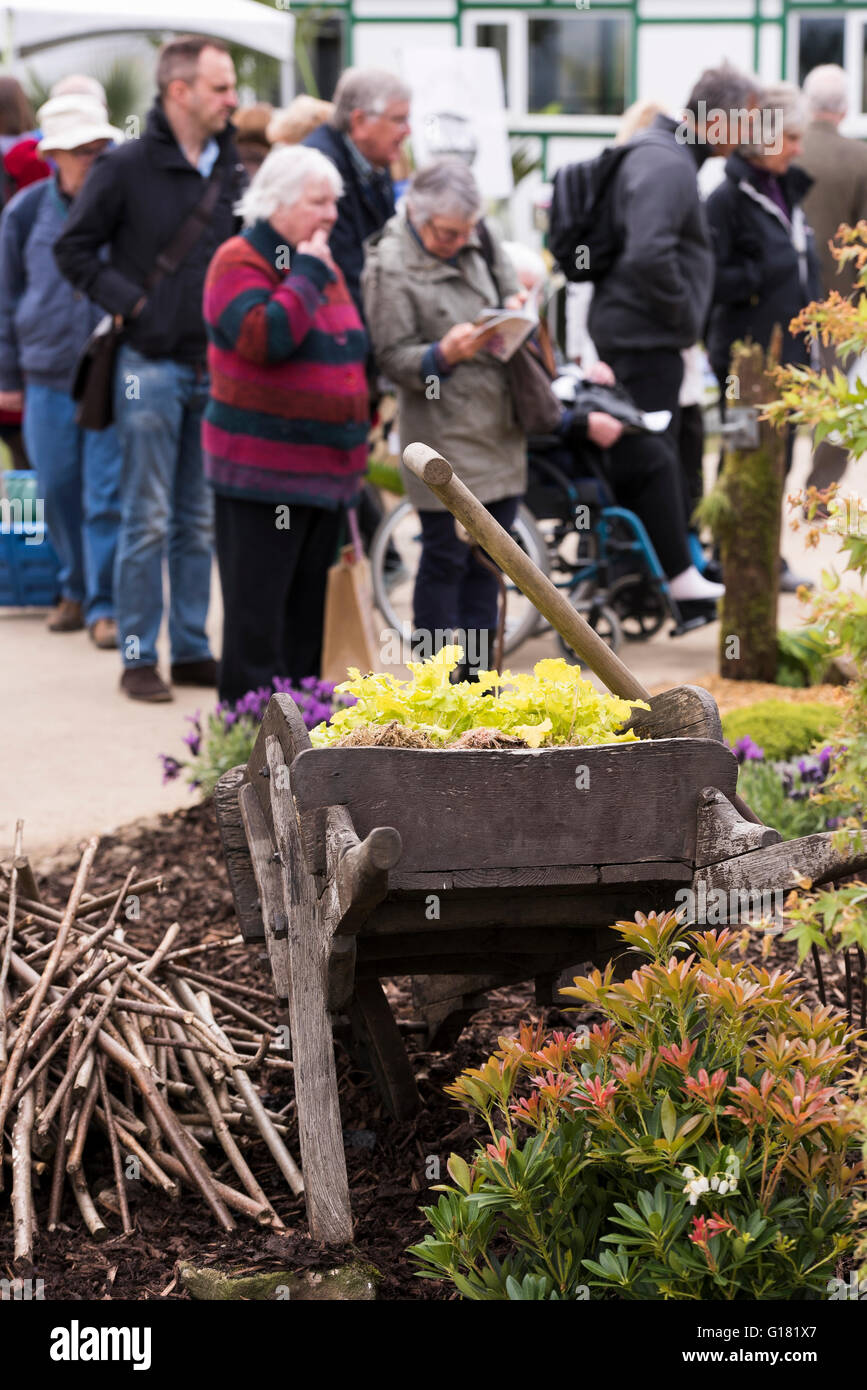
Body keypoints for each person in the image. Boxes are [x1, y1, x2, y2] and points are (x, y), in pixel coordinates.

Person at [54, 35, 246, 702]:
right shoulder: (125, 165)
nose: (232, 99)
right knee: (147, 518)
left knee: (196, 519)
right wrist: (132, 304)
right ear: (180, 91)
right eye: (221, 87)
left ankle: (190, 649)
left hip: (213, 370)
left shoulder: (232, 169)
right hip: (149, 367)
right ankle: (138, 655)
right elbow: (72, 249)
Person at [579, 68, 761, 603]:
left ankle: (645, 585)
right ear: (719, 117)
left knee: (651, 459)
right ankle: (643, 586)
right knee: (646, 462)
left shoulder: (667, 155)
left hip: (644, 337)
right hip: (643, 341)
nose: (749, 135)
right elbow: (648, 251)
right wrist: (684, 317)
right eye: (746, 122)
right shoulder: (666, 160)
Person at [202, 145, 369, 703]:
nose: (331, 215)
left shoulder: (314, 259)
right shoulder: (238, 259)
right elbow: (264, 337)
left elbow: (348, 344)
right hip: (262, 477)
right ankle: (244, 753)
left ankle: (300, 751)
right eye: (318, 201)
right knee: (257, 627)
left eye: (334, 203)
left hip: (324, 478)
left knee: (305, 628)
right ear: (276, 201)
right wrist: (307, 275)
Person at [362, 157, 526, 677]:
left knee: (490, 562)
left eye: (465, 231)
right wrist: (441, 356)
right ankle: (435, 687)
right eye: (446, 233)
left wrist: (518, 305)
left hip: (500, 430)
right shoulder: (389, 265)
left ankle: (479, 689)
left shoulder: (482, 236)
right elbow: (390, 358)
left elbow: (505, 296)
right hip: (440, 444)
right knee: (444, 562)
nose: (458, 241)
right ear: (416, 211)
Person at [0, 94, 123, 645]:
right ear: (55, 155)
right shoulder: (24, 211)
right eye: (81, 150)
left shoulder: (120, 208)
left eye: (99, 148)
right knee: (55, 488)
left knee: (105, 492)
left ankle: (103, 604)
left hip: (108, 373)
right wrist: (7, 377)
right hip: (45, 372)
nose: (92, 158)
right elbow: (5, 297)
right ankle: (73, 586)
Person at [706, 83, 821, 591]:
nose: (799, 148)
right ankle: (729, 556)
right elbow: (711, 281)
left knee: (781, 457)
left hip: (792, 357)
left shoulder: (790, 190)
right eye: (791, 137)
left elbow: (797, 267)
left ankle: (765, 557)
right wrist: (758, 275)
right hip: (743, 361)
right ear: (761, 138)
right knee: (741, 455)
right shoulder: (725, 199)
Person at [304, 68, 411, 581]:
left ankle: (371, 557)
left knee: (347, 463)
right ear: (361, 120)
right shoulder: (323, 166)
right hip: (330, 353)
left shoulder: (368, 162)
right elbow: (351, 272)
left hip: (354, 352)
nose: (406, 132)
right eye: (398, 120)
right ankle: (365, 561)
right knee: (334, 466)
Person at [798, 64, 867, 494]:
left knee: (765, 395)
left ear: (808, 104)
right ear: (844, 109)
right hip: (840, 308)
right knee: (839, 405)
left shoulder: (782, 149)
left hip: (781, 298)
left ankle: (754, 494)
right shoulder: (861, 158)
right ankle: (817, 494)